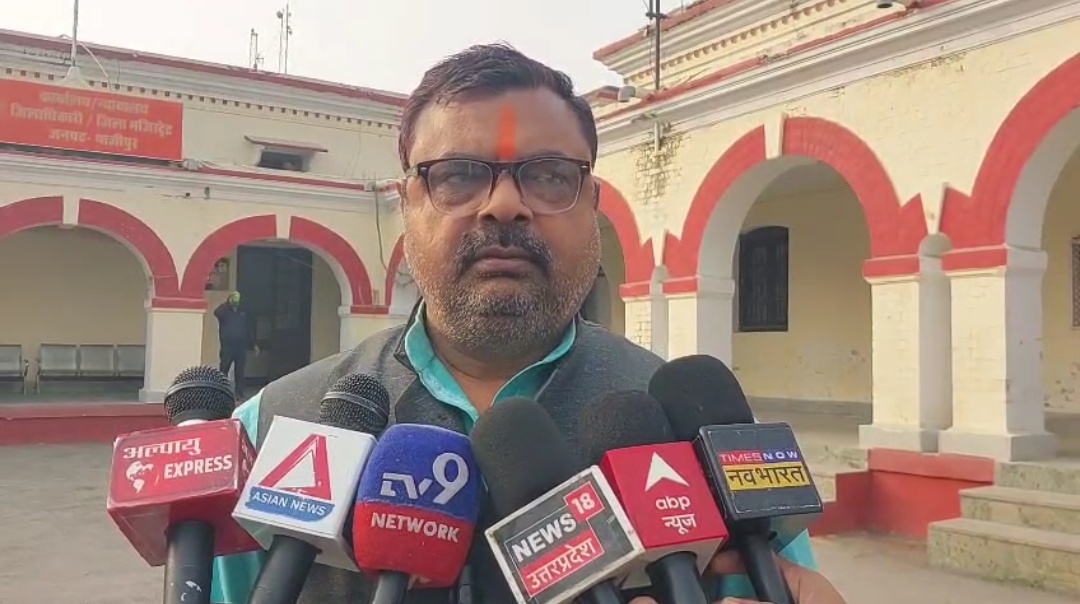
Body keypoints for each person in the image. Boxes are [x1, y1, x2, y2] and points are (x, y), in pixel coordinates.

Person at [209, 44, 821, 604]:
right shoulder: (273, 427)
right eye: (458, 174)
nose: (504, 205)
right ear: (408, 204)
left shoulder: (692, 436)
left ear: (592, 205)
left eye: (550, 175)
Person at [213, 291, 257, 399]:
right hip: (228, 346)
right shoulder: (224, 312)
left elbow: (249, 329)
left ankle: (239, 393)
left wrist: (253, 345)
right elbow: (216, 312)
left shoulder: (243, 312)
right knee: (224, 369)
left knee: (240, 371)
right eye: (233, 299)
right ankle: (221, 392)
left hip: (241, 346)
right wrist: (227, 303)